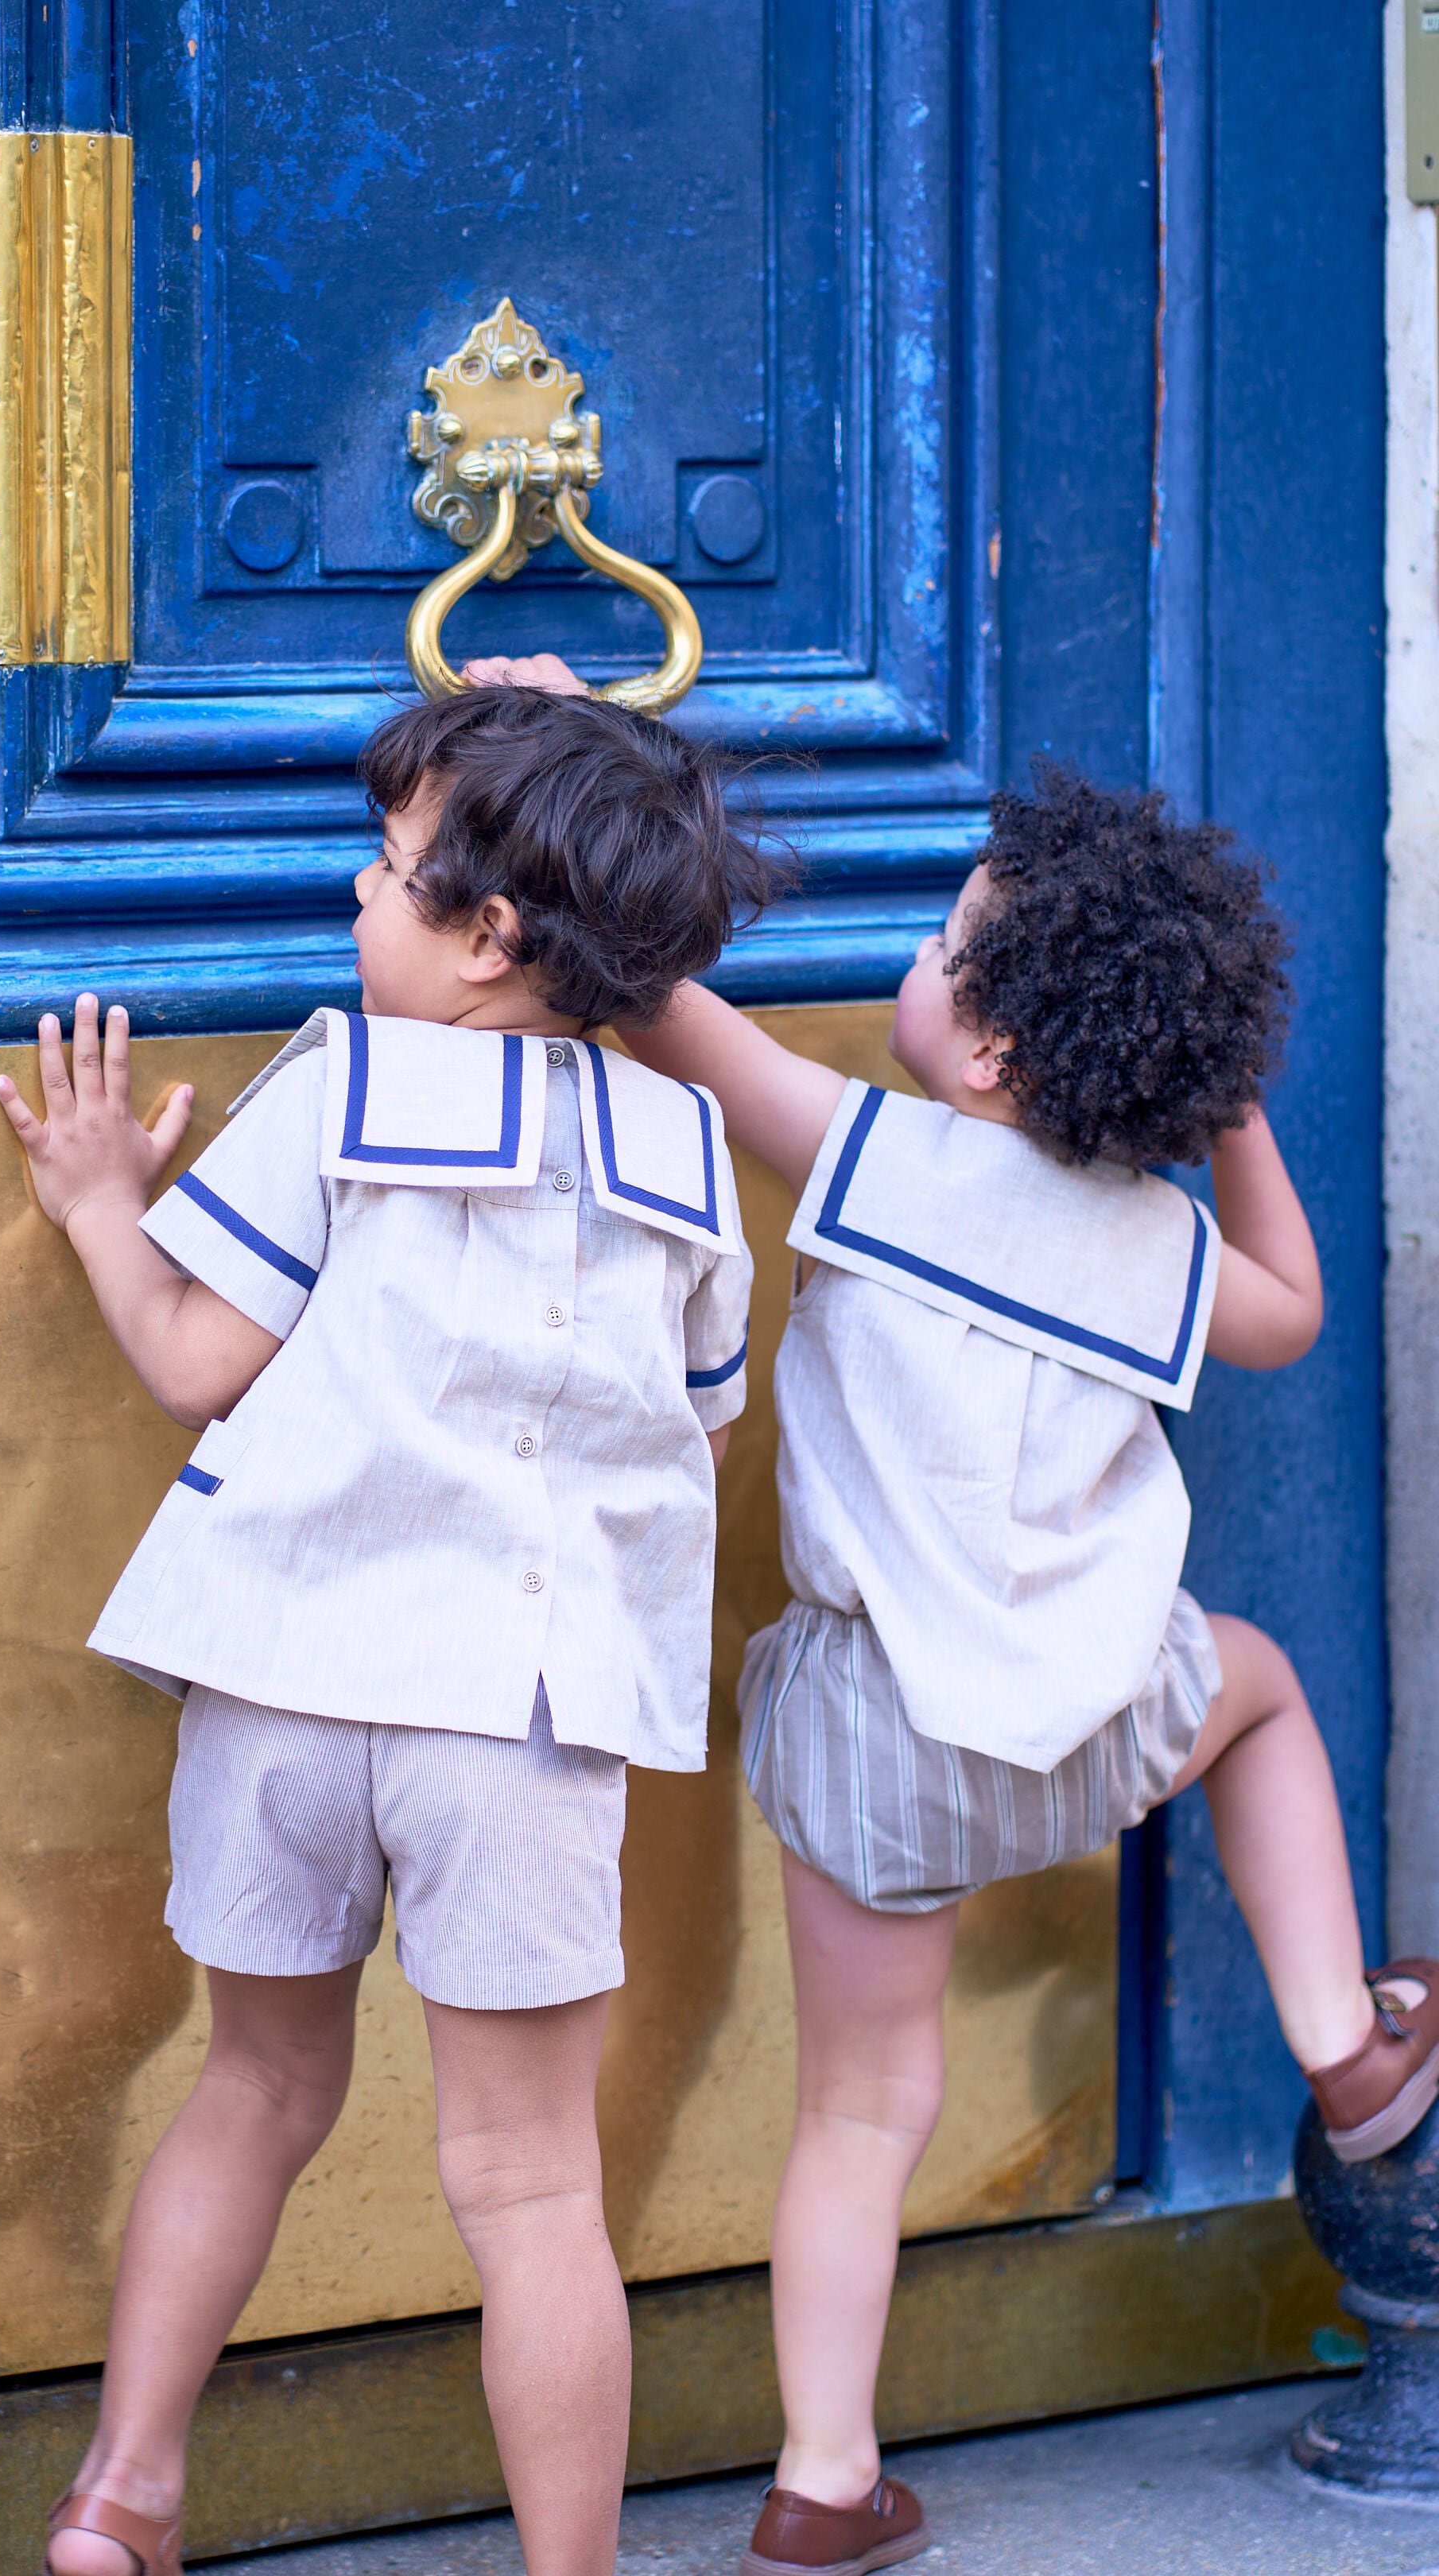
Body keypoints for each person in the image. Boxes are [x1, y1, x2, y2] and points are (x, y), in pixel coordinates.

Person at [617, 761, 1439, 2575]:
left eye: (941, 947)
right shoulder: (1156, 1241)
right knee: (1258, 1687)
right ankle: (1346, 2045)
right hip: (1088, 1729)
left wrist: (569, 755)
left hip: (876, 1754)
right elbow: (1296, 1309)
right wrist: (1234, 1114)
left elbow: (660, 1005)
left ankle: (824, 2480)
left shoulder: (871, 1157)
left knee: (859, 2111)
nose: (913, 961)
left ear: (987, 1050)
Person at [0, 684, 778, 2576]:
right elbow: (700, 1427)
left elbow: (197, 1362)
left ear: (489, 932)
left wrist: (101, 1203)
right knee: (530, 2187)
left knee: (253, 2089)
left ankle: (124, 2493)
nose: (356, 890)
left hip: (285, 1685)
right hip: (513, 1714)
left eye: (387, 864)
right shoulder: (687, 1157)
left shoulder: (340, 1088)